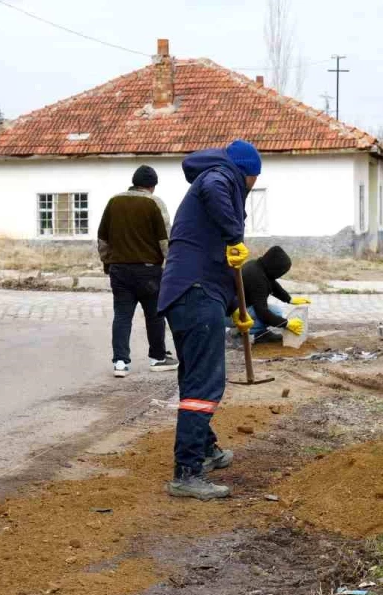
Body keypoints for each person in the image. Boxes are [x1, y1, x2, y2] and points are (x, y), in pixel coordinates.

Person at [157, 140, 261, 500]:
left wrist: (234, 310)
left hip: (193, 293)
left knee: (195, 376)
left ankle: (204, 449)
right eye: (254, 180)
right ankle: (186, 472)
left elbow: (220, 265)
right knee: (205, 383)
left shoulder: (220, 178)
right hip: (195, 293)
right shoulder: (221, 177)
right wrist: (234, 234)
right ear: (249, 173)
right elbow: (214, 189)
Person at [97, 164, 178, 378]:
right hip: (148, 271)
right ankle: (157, 357)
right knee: (154, 315)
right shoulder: (154, 203)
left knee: (122, 315)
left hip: (119, 270)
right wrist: (172, 266)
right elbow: (165, 240)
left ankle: (121, 363)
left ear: (133, 182)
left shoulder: (114, 202)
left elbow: (102, 238)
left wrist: (107, 262)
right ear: (152, 186)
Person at [234, 245, 308, 343]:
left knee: (275, 311)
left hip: (236, 307)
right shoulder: (257, 279)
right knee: (275, 313)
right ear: (275, 268)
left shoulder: (256, 265)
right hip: (231, 314)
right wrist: (286, 323)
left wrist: (289, 299)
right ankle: (238, 332)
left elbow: (272, 283)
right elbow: (262, 313)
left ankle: (259, 334)